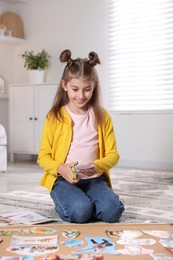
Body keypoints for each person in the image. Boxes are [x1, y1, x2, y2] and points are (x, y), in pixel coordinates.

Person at [37, 49, 124, 223]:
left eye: (87, 90)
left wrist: (97, 165)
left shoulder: (102, 116)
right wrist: (61, 168)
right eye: (75, 89)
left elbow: (114, 155)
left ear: (94, 88)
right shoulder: (55, 117)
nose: (81, 96)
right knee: (80, 211)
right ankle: (74, 201)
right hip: (64, 179)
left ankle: (87, 201)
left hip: (95, 179)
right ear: (64, 86)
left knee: (112, 212)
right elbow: (43, 157)